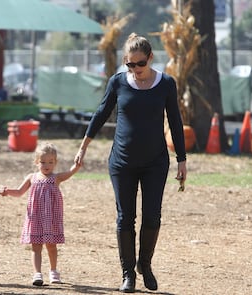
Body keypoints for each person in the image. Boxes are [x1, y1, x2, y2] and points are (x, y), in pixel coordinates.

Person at [74, 33, 187, 293]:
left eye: (140, 64)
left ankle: (144, 265)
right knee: (125, 218)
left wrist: (182, 159)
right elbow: (101, 113)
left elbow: (176, 122)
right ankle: (128, 274)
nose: (135, 69)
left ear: (150, 58)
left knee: (152, 216)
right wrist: (84, 146)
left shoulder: (166, 84)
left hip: (156, 162)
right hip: (122, 162)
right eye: (130, 64)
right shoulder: (118, 83)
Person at [2, 142, 81, 286]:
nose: (47, 165)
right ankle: (37, 273)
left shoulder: (56, 178)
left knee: (51, 245)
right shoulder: (32, 177)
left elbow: (70, 172)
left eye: (50, 162)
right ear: (36, 162)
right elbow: (19, 192)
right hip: (35, 217)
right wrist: (7, 191)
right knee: (36, 246)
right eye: (43, 162)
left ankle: (53, 271)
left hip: (50, 218)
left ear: (55, 163)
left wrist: (77, 166)